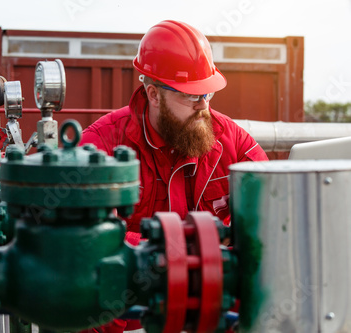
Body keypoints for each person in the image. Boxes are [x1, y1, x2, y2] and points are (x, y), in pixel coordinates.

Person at [79, 19, 268, 333]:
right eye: (191, 97)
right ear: (153, 94)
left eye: (207, 95)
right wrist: (183, 256)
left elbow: (274, 220)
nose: (202, 107)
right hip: (132, 311)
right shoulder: (101, 144)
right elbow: (91, 241)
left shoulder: (231, 141)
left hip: (211, 305)